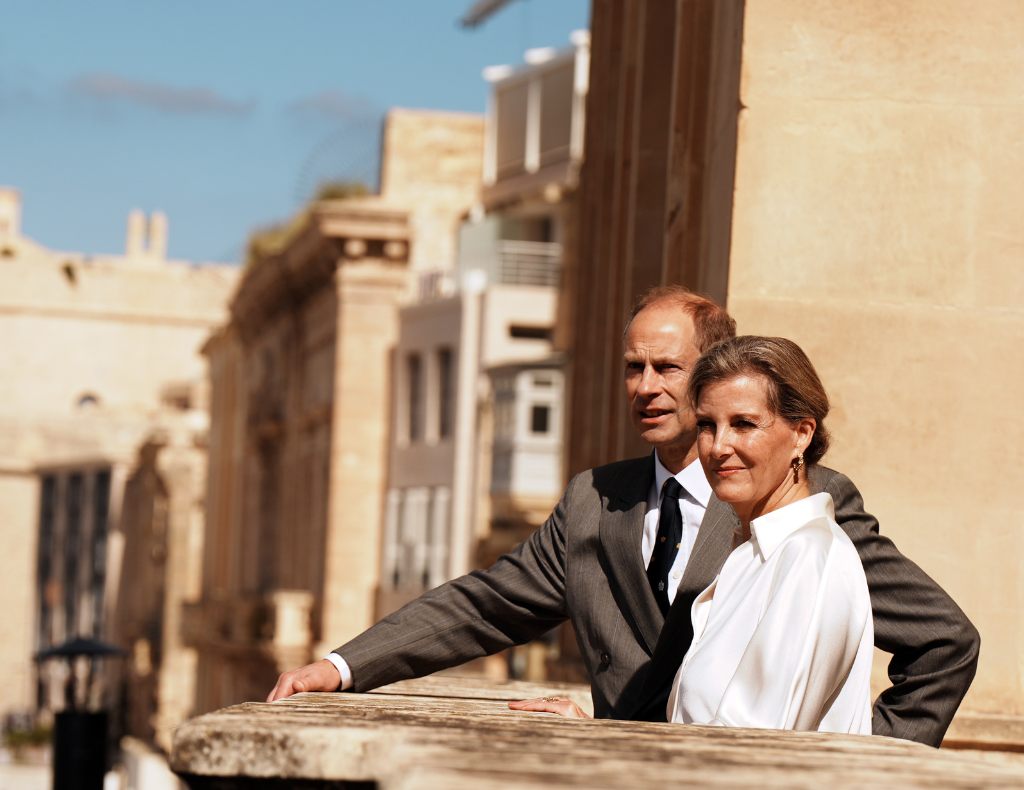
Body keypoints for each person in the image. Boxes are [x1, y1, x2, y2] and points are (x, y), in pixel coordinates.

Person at [267, 286, 978, 747]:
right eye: (632, 368)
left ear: (712, 372)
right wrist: (343, 665)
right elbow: (486, 605)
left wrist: (875, 762)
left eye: (667, 369)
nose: (645, 388)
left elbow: (943, 642)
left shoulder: (806, 515)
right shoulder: (593, 500)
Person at [665, 336, 872, 733]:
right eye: (707, 425)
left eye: (744, 424)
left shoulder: (810, 557)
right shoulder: (753, 552)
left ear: (802, 434)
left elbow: (749, 746)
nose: (718, 446)